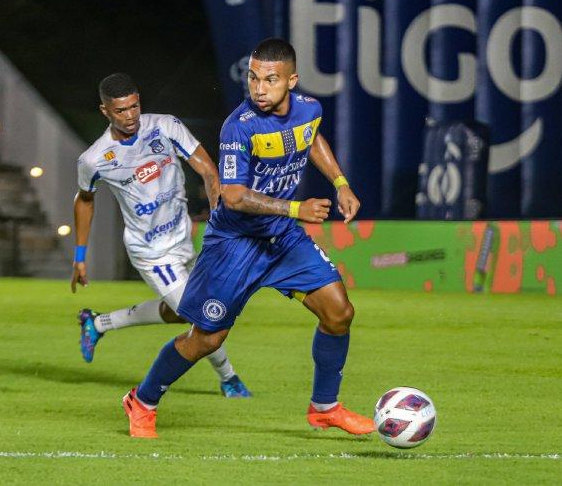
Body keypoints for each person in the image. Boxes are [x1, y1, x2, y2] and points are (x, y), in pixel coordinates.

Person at [122, 39, 375, 438]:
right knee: (207, 339)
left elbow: (311, 138)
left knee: (339, 313)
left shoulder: (310, 109)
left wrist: (340, 182)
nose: (259, 88)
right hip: (234, 243)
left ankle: (325, 407)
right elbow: (234, 196)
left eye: (270, 80)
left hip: (281, 238)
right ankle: (142, 400)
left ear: (292, 80)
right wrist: (296, 209)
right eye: (253, 78)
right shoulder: (239, 126)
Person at [72, 73, 251, 398]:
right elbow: (84, 200)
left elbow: (208, 170)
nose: (131, 116)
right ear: (105, 111)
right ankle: (230, 379)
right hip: (152, 252)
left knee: (177, 312)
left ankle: (97, 323)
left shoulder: (166, 126)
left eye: (135, 106)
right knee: (201, 316)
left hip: (184, 239)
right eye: (121, 110)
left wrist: (219, 220)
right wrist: (80, 256)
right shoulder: (95, 159)